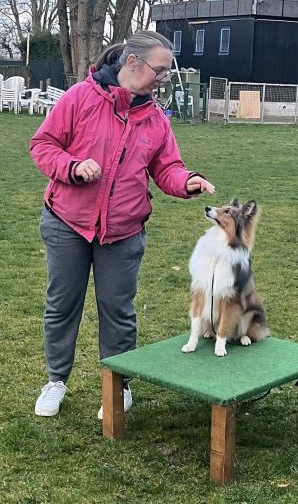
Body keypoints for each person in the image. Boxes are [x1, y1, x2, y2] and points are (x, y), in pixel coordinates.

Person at [30, 30, 215, 418]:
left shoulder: (155, 118)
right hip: (68, 222)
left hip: (123, 230)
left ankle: (119, 385)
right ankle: (55, 380)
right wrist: (73, 167)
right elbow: (43, 145)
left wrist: (187, 182)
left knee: (118, 310)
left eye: (166, 72)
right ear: (132, 62)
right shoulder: (80, 97)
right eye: (159, 70)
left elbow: (168, 167)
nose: (163, 78)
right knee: (62, 306)